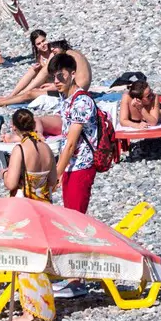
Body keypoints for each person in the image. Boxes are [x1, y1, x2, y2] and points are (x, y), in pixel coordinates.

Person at [48, 52, 102, 213]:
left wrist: (56, 173)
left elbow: (71, 143)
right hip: (71, 165)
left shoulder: (81, 102)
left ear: (72, 74)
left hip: (82, 164)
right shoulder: (67, 100)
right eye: (54, 77)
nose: (57, 81)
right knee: (70, 215)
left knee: (76, 217)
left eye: (60, 76)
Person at [2, 109, 57, 202]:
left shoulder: (19, 150)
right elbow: (52, 181)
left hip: (25, 204)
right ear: (34, 125)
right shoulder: (46, 148)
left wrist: (4, 173)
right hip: (44, 204)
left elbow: (11, 184)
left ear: (14, 127)